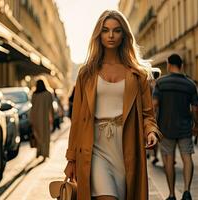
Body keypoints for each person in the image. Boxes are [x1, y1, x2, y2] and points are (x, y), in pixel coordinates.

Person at [64, 10, 162, 200]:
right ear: (98, 35)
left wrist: (151, 131)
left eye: (116, 31)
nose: (110, 35)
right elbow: (76, 120)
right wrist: (71, 159)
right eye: (105, 30)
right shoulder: (86, 73)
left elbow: (147, 114)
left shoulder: (138, 74)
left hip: (127, 146)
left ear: (124, 35)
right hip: (95, 147)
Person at [153, 54, 198, 200]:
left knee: (168, 160)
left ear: (168, 64)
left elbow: (154, 105)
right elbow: (195, 109)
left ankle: (172, 194)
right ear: (181, 65)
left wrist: (154, 125)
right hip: (185, 128)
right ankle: (186, 191)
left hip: (165, 128)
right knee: (187, 158)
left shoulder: (160, 83)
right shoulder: (190, 84)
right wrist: (196, 125)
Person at [29, 79, 54, 159]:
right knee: (45, 136)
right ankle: (45, 153)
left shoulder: (34, 95)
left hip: (35, 117)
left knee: (38, 135)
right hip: (45, 118)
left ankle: (39, 152)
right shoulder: (48, 94)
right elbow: (50, 107)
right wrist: (51, 118)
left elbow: (32, 107)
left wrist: (31, 119)